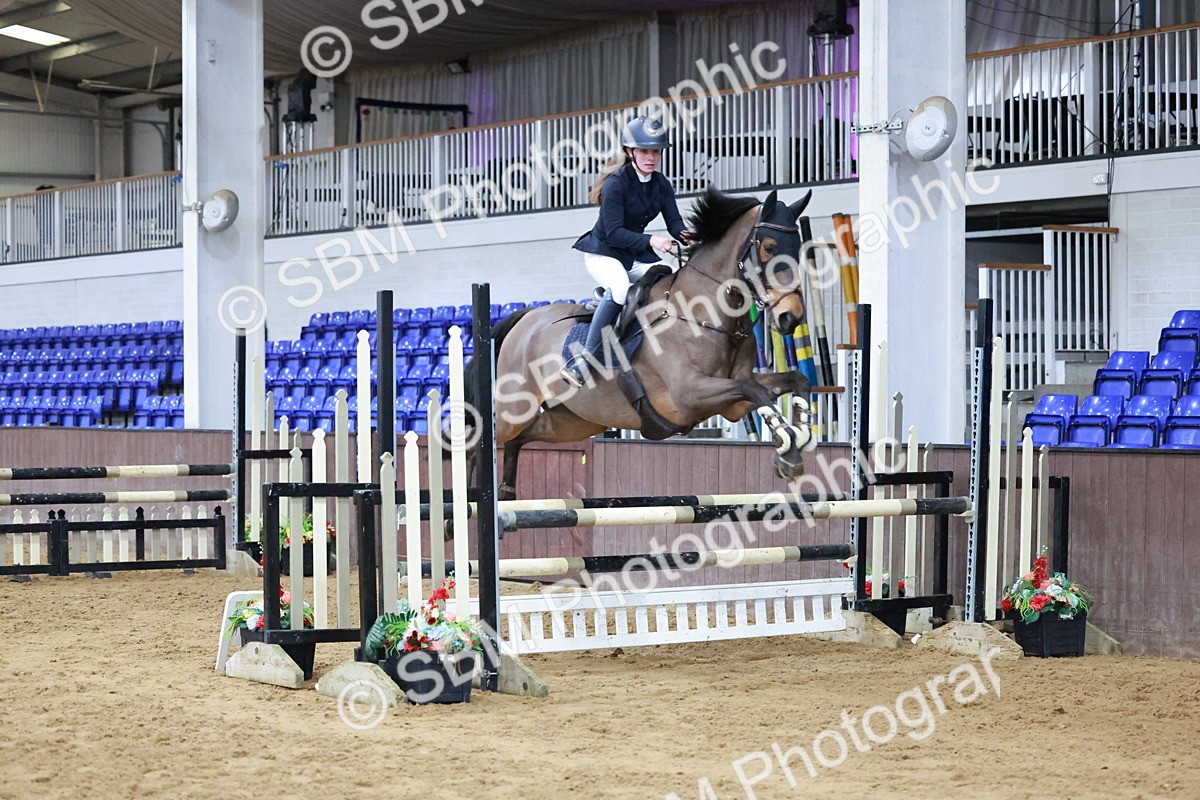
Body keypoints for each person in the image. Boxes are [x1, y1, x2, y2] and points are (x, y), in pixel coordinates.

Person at [561, 116, 693, 388]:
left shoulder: (661, 184)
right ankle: (586, 360)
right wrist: (652, 241)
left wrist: (687, 235)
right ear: (630, 152)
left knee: (668, 277)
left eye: (655, 152)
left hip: (634, 256)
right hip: (604, 254)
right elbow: (613, 232)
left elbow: (674, 223)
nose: (651, 157)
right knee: (620, 288)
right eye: (644, 151)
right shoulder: (616, 184)